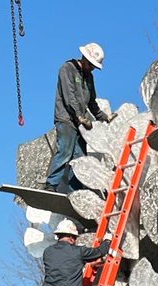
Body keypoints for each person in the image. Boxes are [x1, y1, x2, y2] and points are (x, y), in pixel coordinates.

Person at [46, 42, 112, 193]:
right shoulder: (67, 69)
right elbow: (69, 97)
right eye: (91, 65)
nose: (92, 68)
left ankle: (74, 190)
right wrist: (80, 116)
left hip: (80, 123)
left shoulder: (89, 77)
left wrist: (104, 117)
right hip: (66, 119)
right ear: (84, 58)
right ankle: (51, 185)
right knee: (65, 151)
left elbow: (91, 102)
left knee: (80, 158)